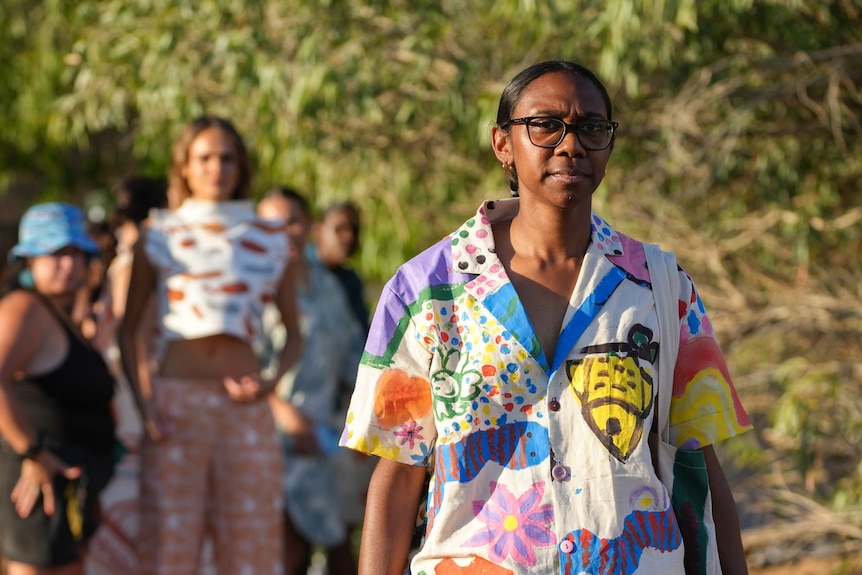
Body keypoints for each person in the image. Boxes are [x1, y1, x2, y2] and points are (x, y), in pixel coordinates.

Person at [340, 60, 753, 574]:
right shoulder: (426, 291)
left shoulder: (662, 288)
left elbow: (701, 468)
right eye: (545, 124)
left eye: (591, 127)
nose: (570, 143)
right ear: (502, 144)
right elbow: (398, 475)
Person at [118, 116, 306, 575]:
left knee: (251, 545)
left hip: (244, 407)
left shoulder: (271, 237)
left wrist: (271, 382)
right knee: (169, 545)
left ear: (240, 167)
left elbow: (293, 334)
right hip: (175, 406)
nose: (215, 168)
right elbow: (128, 332)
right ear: (184, 166)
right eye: (204, 158)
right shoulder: (158, 233)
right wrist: (144, 407)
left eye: (226, 158)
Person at [0, 202, 116, 575]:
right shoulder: (25, 308)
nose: (68, 264)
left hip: (62, 489)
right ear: (29, 261)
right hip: (33, 485)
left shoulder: (57, 313)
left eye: (75, 254)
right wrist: (32, 452)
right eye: (55, 254)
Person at [257, 188, 364, 575]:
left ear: (308, 227)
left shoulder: (329, 285)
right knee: (287, 553)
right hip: (271, 435)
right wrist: (285, 417)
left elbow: (355, 354)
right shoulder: (250, 286)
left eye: (291, 221)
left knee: (339, 546)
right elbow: (239, 366)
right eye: (270, 224)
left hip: (327, 435)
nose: (282, 232)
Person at [85, 176, 170, 575]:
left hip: (131, 392)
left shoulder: (137, 257)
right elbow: (131, 335)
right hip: (135, 392)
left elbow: (130, 336)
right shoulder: (142, 256)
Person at [312, 202, 369, 332]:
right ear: (318, 230)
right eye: (340, 229)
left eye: (354, 230)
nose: (349, 237)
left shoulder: (351, 280)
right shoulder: (299, 273)